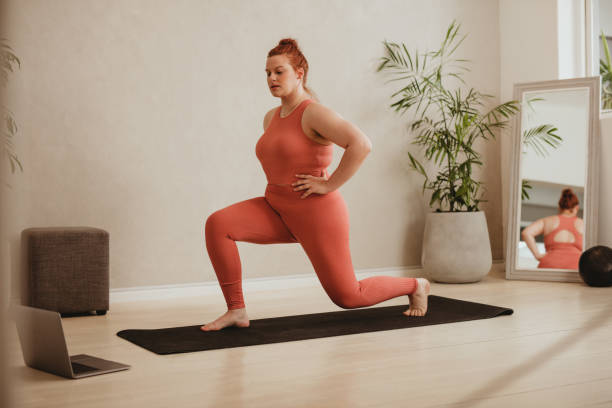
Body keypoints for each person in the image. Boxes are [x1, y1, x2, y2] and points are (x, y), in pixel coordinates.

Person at [200, 38, 431, 331]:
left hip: (316, 213)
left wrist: (329, 184)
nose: (271, 79)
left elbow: (361, 144)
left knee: (348, 296)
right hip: (276, 207)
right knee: (218, 225)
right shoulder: (270, 117)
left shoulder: (313, 113)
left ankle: (416, 284)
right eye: (267, 73)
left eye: (279, 71)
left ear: (299, 73)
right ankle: (236, 310)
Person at [521, 188, 584, 269]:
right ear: (577, 207)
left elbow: (526, 233)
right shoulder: (583, 224)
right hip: (576, 266)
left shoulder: (547, 221)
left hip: (549, 265)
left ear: (559, 207)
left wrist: (537, 255)